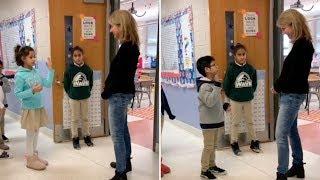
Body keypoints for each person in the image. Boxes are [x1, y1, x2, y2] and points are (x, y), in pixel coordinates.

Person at [272, 9, 314, 180]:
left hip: (291, 96)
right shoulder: (301, 44)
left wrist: (277, 86)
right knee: (291, 131)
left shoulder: (303, 46)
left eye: (284, 28)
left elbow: (294, 76)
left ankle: (281, 173)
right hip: (291, 94)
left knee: (280, 134)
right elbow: (290, 73)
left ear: (293, 24)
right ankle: (298, 166)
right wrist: (280, 86)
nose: (283, 32)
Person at [101, 10, 140, 180]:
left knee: (116, 134)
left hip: (118, 95)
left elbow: (119, 75)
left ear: (121, 26)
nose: (111, 30)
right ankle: (125, 162)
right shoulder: (130, 46)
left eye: (113, 26)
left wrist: (107, 91)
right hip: (123, 93)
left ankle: (121, 173)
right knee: (123, 130)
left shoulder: (127, 48)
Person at [14, 45, 54, 170]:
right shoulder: (20, 75)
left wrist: (50, 70)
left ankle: (34, 156)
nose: (34, 59)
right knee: (30, 134)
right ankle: (29, 160)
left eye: (34, 56)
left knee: (36, 132)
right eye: (31, 57)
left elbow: (47, 83)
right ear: (23, 58)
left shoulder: (35, 71)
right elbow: (18, 94)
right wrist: (32, 90)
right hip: (29, 109)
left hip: (38, 107)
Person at [223, 43, 260, 156]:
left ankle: (254, 142)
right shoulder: (231, 69)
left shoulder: (250, 69)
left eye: (244, 54)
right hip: (235, 101)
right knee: (235, 123)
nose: (242, 56)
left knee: (250, 121)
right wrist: (231, 98)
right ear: (235, 56)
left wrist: (249, 93)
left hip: (248, 99)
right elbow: (226, 86)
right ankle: (234, 143)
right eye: (239, 55)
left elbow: (254, 84)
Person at [196, 56, 228, 179]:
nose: (217, 66)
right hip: (208, 122)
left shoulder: (212, 83)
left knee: (213, 146)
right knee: (208, 146)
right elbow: (209, 102)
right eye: (214, 65)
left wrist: (224, 105)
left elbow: (217, 100)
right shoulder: (204, 86)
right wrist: (218, 85)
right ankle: (204, 170)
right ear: (207, 69)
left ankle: (212, 165)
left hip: (216, 120)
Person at [63, 46, 94, 150]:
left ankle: (87, 136)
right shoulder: (69, 70)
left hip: (85, 97)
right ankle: (75, 138)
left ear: (83, 56)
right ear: (72, 57)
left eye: (79, 55)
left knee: (85, 118)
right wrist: (70, 93)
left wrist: (87, 91)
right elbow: (66, 84)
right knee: (74, 119)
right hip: (73, 98)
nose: (77, 58)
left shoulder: (88, 69)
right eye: (75, 56)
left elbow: (91, 83)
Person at [0, 61, 12, 142]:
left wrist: (2, 84)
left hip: (2, 102)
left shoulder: (3, 78)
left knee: (1, 119)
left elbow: (8, 90)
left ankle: (2, 134)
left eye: (1, 68)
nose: (0, 69)